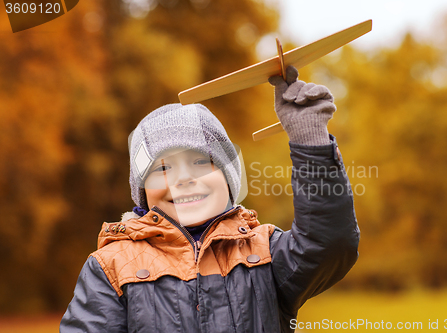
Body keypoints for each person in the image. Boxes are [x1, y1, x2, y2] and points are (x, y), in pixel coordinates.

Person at [60, 66, 359, 333]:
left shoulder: (265, 253)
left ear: (229, 179)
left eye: (202, 163)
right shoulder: (112, 267)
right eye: (162, 168)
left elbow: (329, 243)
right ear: (142, 191)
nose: (183, 179)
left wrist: (311, 143)